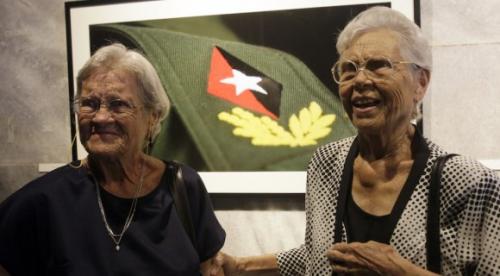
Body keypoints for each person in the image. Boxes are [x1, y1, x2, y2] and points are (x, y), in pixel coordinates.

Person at [217, 6, 500, 275]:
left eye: (378, 66)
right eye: (349, 69)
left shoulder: (468, 183)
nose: (360, 80)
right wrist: (241, 267)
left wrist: (399, 272)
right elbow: (320, 254)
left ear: (420, 82)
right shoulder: (326, 164)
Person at [0, 43, 225, 276]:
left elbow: (210, 269)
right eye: (89, 103)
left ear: (152, 117)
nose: (100, 117)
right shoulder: (43, 201)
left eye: (118, 104)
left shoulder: (183, 187)